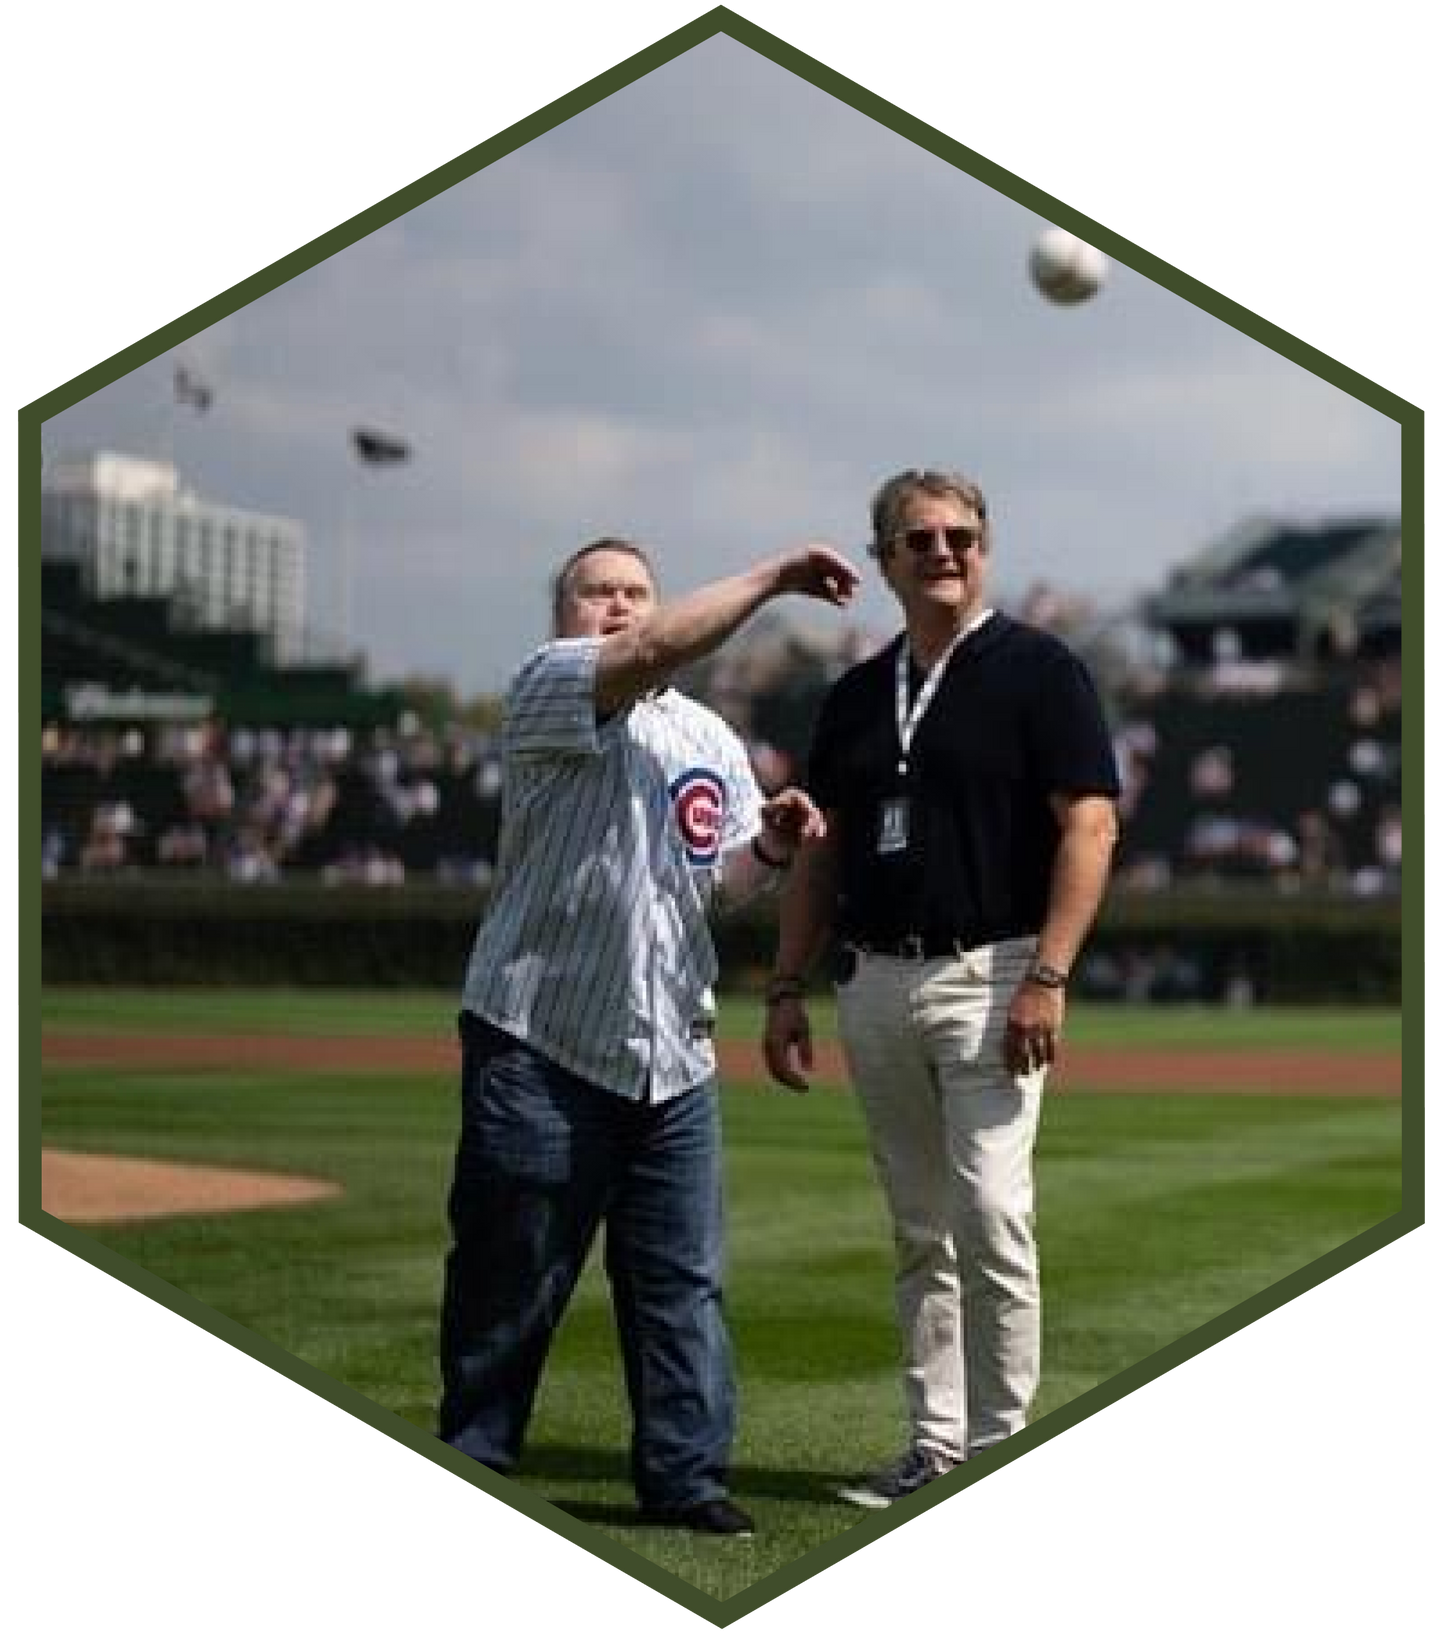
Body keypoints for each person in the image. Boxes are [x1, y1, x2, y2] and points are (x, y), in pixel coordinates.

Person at [439, 533, 861, 1538]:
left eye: (635, 591)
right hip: (537, 1034)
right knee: (512, 1273)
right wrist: (769, 580)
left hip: (671, 1048)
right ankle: (476, 1454)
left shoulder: (709, 738)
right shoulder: (549, 683)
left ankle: (683, 1477)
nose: (619, 606)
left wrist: (766, 844)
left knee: (680, 1284)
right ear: (563, 613)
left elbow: (715, 889)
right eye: (597, 591)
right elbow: (646, 654)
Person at [762, 469, 1120, 1507]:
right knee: (918, 1225)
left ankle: (998, 1439)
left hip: (992, 966)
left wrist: (1047, 972)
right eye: (916, 538)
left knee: (990, 1212)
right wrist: (784, 985)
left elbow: (1088, 825)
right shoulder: (852, 696)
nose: (942, 552)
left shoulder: (1040, 670)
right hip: (872, 975)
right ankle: (935, 1442)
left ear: (985, 546)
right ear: (881, 560)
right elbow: (817, 857)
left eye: (960, 534)